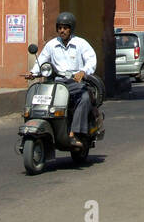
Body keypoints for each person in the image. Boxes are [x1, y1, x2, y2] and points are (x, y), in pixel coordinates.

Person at [31, 11, 97, 149]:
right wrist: (33, 72)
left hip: (76, 83)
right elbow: (42, 59)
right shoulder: (51, 45)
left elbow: (91, 60)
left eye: (65, 28)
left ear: (71, 29)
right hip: (57, 83)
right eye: (60, 28)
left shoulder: (80, 43)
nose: (62, 31)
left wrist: (83, 72)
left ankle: (75, 133)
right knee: (41, 97)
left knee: (84, 97)